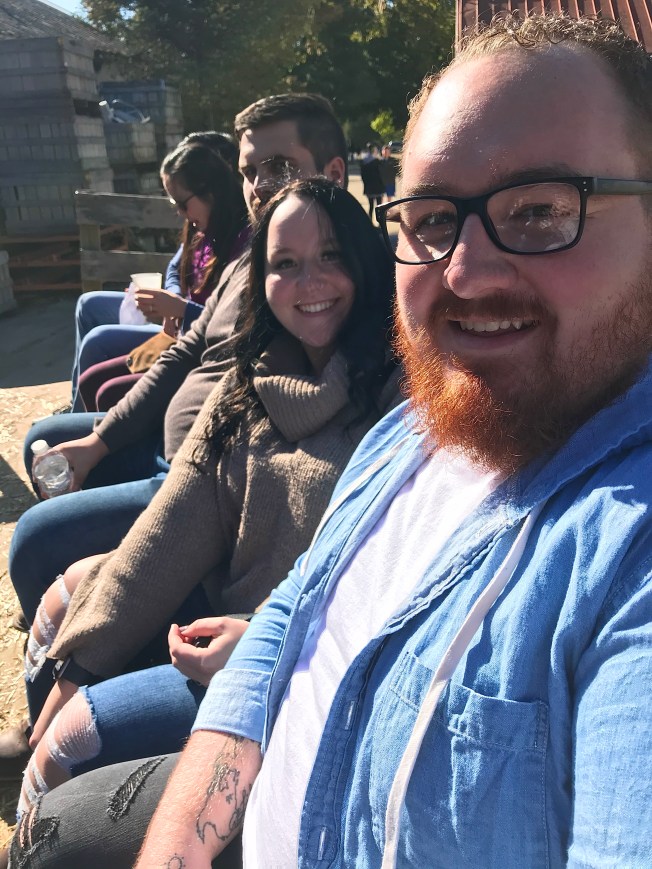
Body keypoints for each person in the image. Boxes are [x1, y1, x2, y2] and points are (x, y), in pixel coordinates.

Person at [16, 16, 652, 864]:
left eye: (540, 210)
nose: (465, 272)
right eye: (430, 219)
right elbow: (294, 602)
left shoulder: (623, 545)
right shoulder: (415, 429)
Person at [13, 179, 400, 820]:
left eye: (330, 255)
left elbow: (376, 572)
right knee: (67, 609)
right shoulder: (252, 378)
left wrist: (261, 641)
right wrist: (81, 669)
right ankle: (37, 757)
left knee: (75, 741)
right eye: (284, 263)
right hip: (226, 617)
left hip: (305, 656)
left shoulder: (399, 394)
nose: (308, 282)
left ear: (364, 260)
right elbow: (174, 522)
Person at [8, 92, 348, 629]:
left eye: (279, 167)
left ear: (334, 173)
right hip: (168, 449)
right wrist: (99, 442)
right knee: (45, 441)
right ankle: (66, 634)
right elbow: (187, 349)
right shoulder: (249, 257)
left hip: (201, 484)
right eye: (248, 171)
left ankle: (75, 643)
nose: (259, 187)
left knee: (35, 540)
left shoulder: (330, 284)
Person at [70, 132, 241, 410]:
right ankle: (76, 418)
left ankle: (79, 425)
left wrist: (180, 309)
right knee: (89, 324)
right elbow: (175, 268)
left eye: (181, 203)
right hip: (179, 332)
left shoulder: (240, 241)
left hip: (199, 347)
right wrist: (172, 303)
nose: (179, 213)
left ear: (214, 185)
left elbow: (229, 324)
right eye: (174, 204)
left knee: (100, 352)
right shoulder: (199, 228)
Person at [359, 144, 384, 220]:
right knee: (379, 206)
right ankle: (380, 222)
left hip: (369, 187)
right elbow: (381, 174)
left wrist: (365, 185)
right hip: (378, 186)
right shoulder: (377, 161)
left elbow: (363, 176)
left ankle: (370, 222)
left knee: (371, 206)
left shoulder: (364, 161)